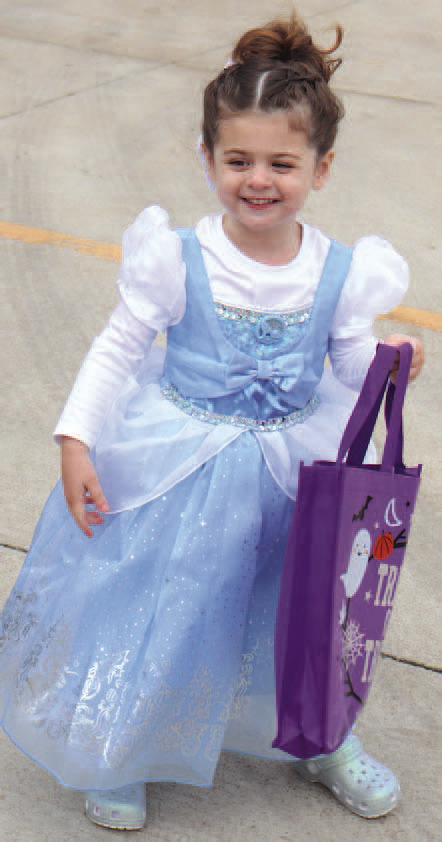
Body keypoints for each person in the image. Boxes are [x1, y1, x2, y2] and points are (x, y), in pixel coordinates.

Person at [0, 10, 424, 832]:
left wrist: (389, 361)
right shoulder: (179, 257)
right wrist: (76, 439)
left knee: (305, 608)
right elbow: (118, 346)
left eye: (281, 163)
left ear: (321, 168)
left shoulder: (339, 270)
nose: (257, 180)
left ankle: (320, 735)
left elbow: (346, 360)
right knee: (168, 609)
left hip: (292, 474)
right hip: (184, 467)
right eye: (238, 161)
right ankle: (124, 746)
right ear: (207, 158)